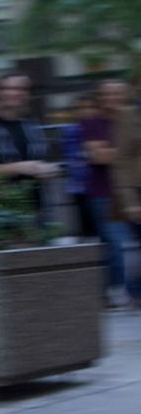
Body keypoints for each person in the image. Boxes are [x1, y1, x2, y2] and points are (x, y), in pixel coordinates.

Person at [75, 79, 140, 305]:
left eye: (117, 93)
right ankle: (114, 292)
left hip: (132, 191)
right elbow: (98, 157)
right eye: (107, 94)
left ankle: (134, 291)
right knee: (117, 244)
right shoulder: (92, 123)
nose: (112, 98)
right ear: (99, 98)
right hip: (104, 193)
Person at [0, 70, 58, 223]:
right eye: (9, 88)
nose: (15, 93)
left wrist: (50, 169)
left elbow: (43, 160)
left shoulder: (31, 126)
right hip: (2, 211)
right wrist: (20, 167)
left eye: (21, 89)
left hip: (39, 208)